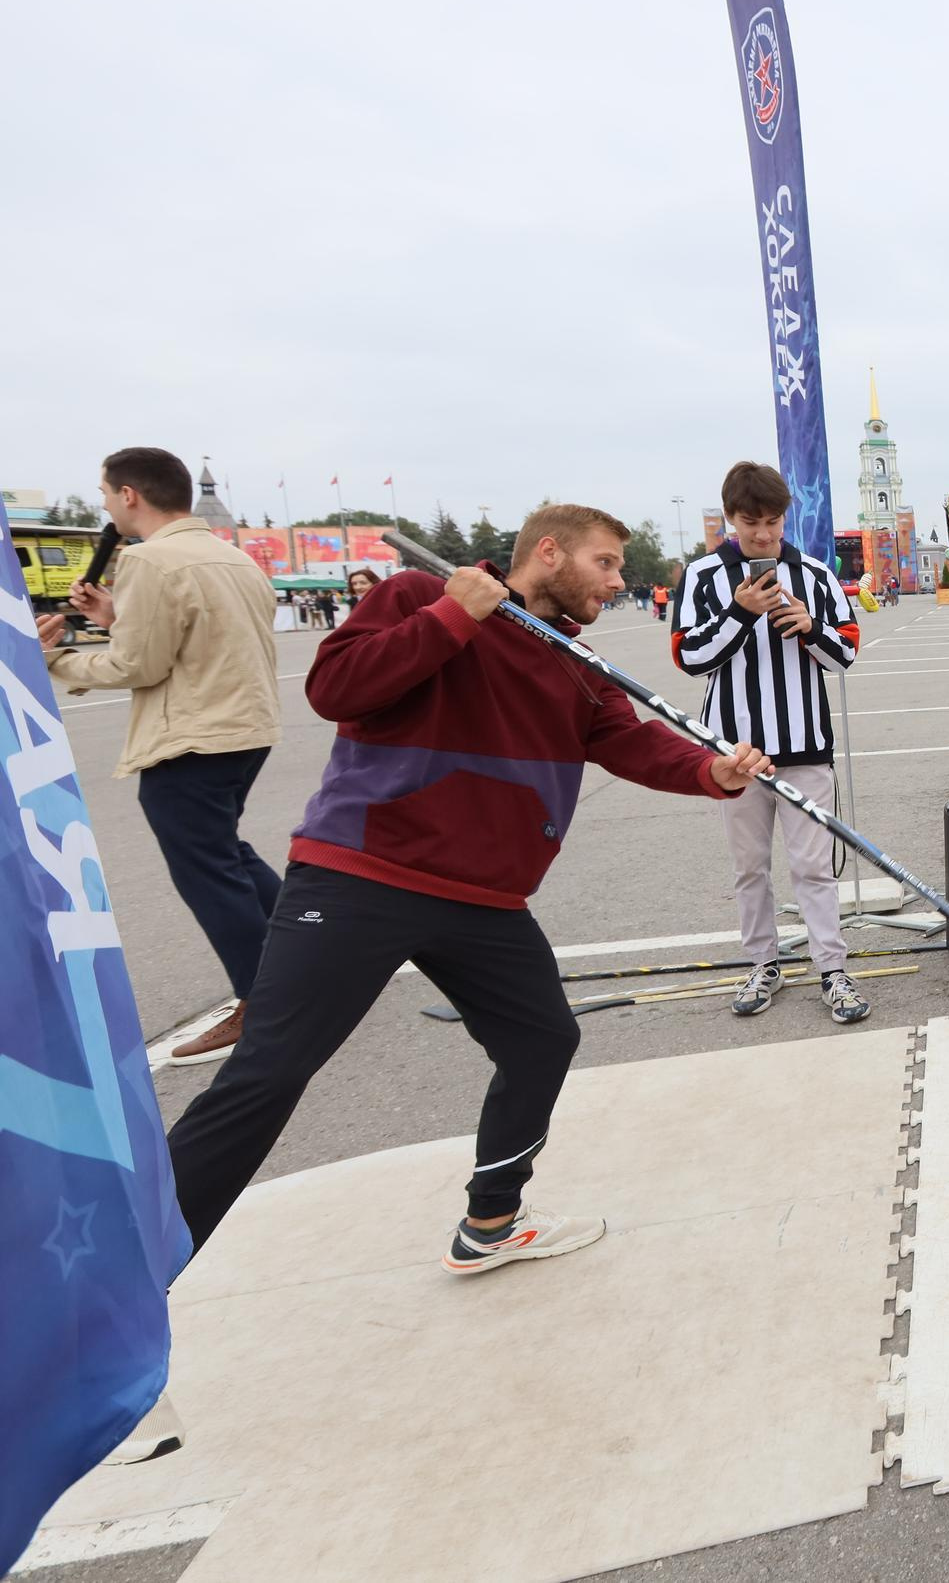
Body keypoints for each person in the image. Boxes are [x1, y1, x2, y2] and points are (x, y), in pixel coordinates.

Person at [162, 504, 772, 1275]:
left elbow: (625, 736)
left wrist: (706, 771)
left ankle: (491, 1220)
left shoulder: (570, 657)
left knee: (542, 1037)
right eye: (607, 563)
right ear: (548, 552)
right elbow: (335, 686)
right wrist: (453, 615)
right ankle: (121, 1280)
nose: (618, 581)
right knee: (270, 1070)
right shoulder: (423, 596)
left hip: (484, 900)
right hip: (362, 873)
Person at [35, 447, 283, 1066]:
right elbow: (199, 633)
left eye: (104, 491)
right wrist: (117, 615)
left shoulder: (147, 559)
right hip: (245, 727)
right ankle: (309, 954)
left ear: (130, 496)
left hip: (191, 735)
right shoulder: (231, 555)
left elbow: (137, 664)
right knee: (224, 851)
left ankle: (264, 1000)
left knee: (206, 867)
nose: (101, 502)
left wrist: (50, 660)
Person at [675, 463, 871, 1025]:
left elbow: (845, 655)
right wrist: (740, 612)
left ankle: (832, 968)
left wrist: (809, 627)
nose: (763, 533)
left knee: (813, 867)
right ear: (730, 519)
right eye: (749, 522)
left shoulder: (813, 572)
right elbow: (689, 657)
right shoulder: (702, 576)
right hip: (733, 753)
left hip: (804, 743)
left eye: (772, 521)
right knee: (749, 867)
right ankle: (763, 961)